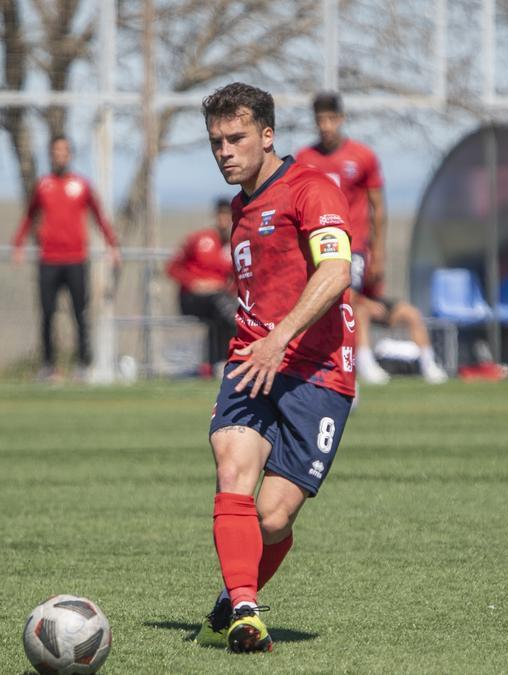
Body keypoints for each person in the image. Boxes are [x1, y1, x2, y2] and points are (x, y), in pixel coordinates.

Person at [196, 82, 355, 654]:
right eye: (216, 141)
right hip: (251, 361)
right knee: (231, 465)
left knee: (272, 518)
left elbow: (336, 273)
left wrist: (281, 338)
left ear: (268, 136)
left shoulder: (312, 189)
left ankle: (235, 588)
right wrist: (259, 344)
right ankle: (245, 610)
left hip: (317, 371)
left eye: (236, 138)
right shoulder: (240, 210)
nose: (225, 151)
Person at [296, 92, 446, 384]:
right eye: (319, 120)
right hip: (319, 246)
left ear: (341, 119)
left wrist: (378, 251)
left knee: (347, 299)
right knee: (340, 305)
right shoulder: (305, 158)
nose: (325, 126)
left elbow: (378, 206)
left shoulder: (362, 156)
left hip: (355, 246)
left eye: (330, 119)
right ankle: (334, 366)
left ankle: (360, 364)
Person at [12, 136, 120, 380]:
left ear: (70, 155)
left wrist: (113, 246)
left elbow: (99, 216)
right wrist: (18, 243)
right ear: (51, 155)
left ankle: (83, 365)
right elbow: (30, 216)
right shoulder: (43, 185)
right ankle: (49, 366)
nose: (60, 155)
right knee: (47, 313)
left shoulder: (82, 185)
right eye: (55, 151)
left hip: (75, 260)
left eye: (64, 151)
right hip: (48, 260)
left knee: (79, 314)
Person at [166, 199, 237, 377]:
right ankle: (224, 360)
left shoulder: (235, 244)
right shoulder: (199, 239)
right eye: (221, 215)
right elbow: (172, 267)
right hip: (191, 298)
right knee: (223, 306)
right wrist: (194, 283)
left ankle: (218, 363)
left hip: (219, 299)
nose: (224, 220)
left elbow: (238, 278)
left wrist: (225, 288)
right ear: (216, 216)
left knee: (225, 308)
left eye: (228, 215)